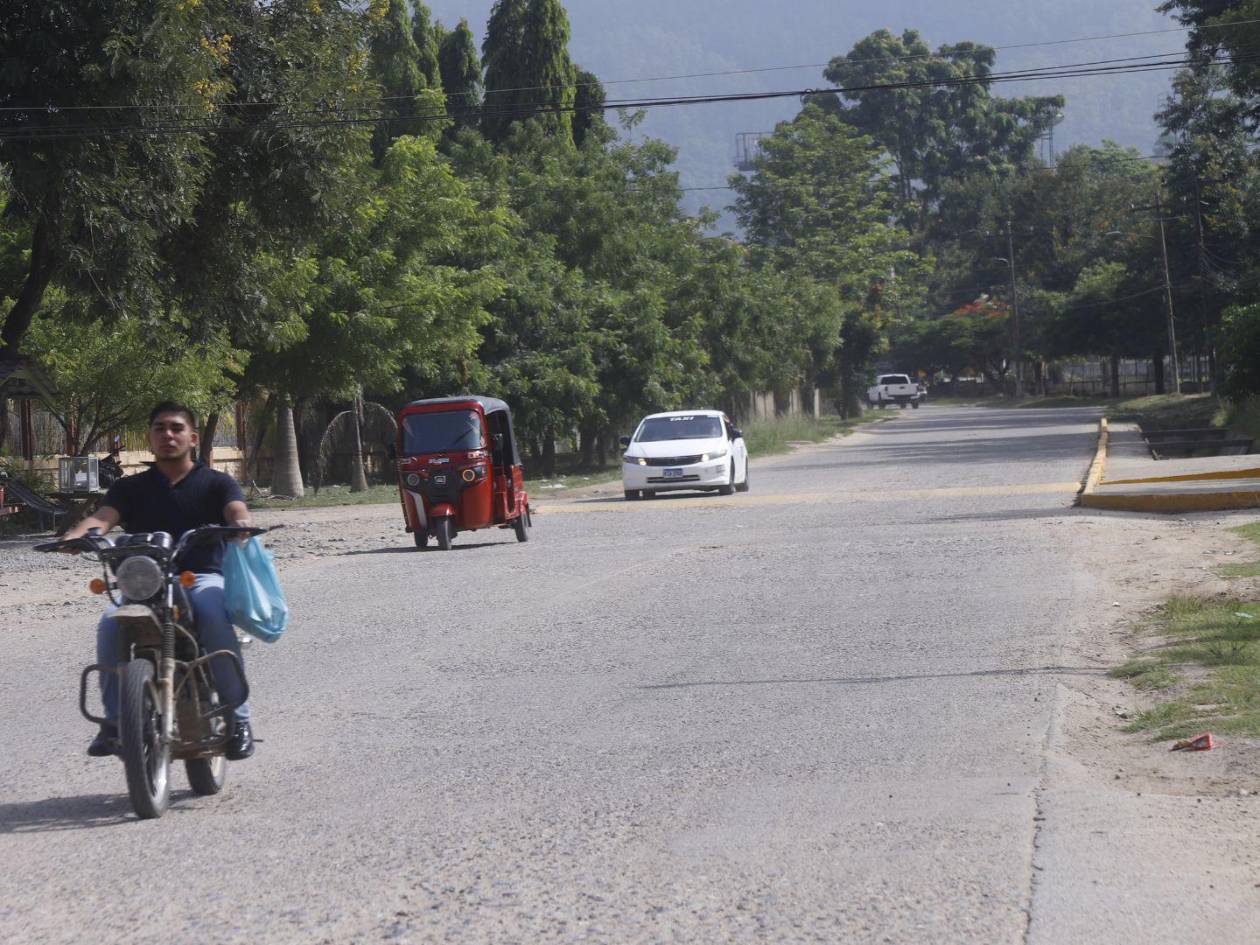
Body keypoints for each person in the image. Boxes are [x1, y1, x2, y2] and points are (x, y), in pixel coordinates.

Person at [62, 401, 258, 760]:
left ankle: (238, 718)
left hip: (198, 578)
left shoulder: (216, 482)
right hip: (145, 582)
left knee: (213, 611)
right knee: (109, 624)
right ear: (150, 438)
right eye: (160, 428)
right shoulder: (130, 487)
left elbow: (236, 509)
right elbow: (102, 518)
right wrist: (74, 537)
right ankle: (116, 722)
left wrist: (241, 524)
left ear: (192, 437)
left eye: (176, 428)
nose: (168, 435)